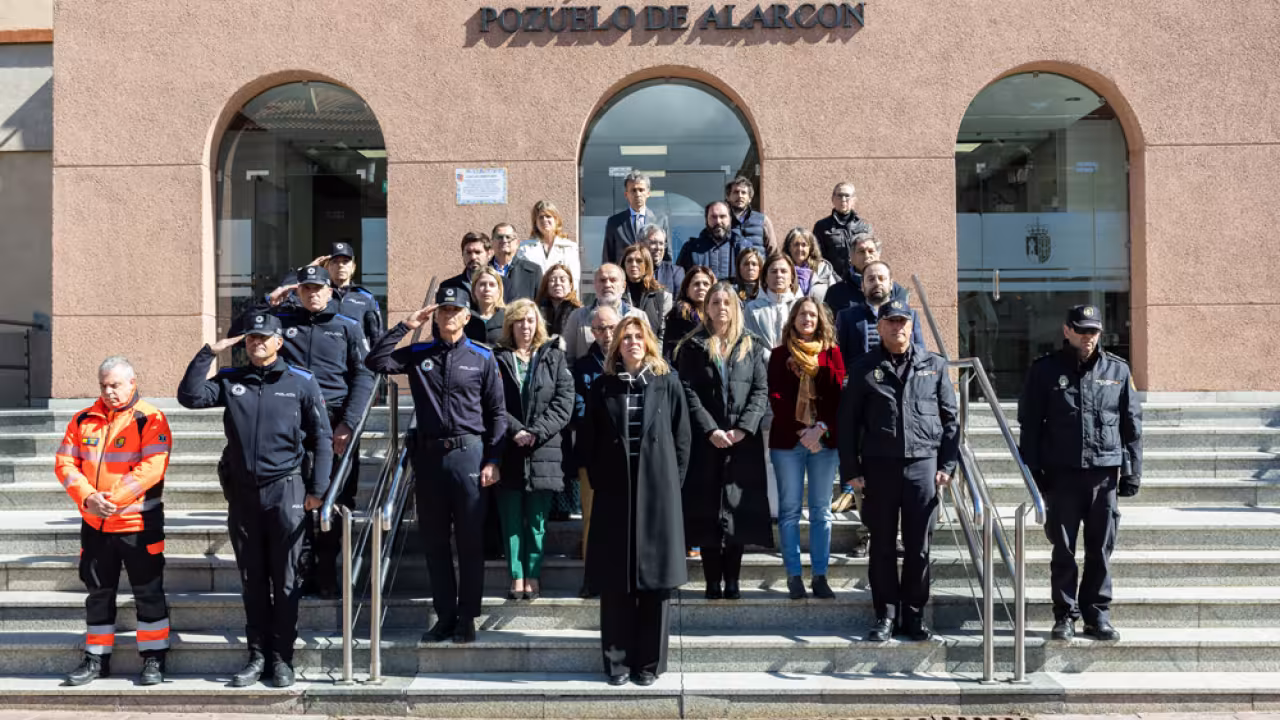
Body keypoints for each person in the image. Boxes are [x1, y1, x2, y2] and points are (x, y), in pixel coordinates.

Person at [178, 314, 332, 687]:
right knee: (252, 579)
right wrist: (208, 352)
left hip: (286, 490)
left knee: (285, 579)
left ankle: (282, 659)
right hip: (244, 494)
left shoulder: (301, 381)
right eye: (250, 338)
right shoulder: (232, 379)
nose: (256, 343)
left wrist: (318, 489)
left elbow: (321, 437)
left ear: (279, 341)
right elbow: (190, 397)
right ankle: (257, 655)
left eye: (263, 337)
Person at [365, 284, 507, 645]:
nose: (449, 315)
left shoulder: (482, 357)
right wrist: (405, 325)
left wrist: (493, 458)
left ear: (466, 316)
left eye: (455, 311)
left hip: (468, 454)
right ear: (436, 316)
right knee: (434, 542)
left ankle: (467, 617)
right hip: (429, 458)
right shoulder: (418, 353)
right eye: (443, 310)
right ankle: (445, 617)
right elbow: (375, 361)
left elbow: (497, 413)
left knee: (470, 541)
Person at [233, 264, 374, 597]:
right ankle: (301, 571)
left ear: (330, 292)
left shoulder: (348, 327)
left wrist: (349, 423)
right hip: (292, 419)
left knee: (335, 499)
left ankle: (327, 572)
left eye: (318, 288)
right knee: (297, 498)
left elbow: (364, 376)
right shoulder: (281, 323)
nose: (312, 294)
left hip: (335, 422)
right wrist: (269, 302)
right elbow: (239, 333)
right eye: (306, 288)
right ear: (298, 292)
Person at [1017, 304, 1142, 643]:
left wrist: (1133, 472)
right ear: (1067, 330)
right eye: (1082, 330)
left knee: (1100, 549)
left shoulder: (1117, 370)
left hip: (1104, 475)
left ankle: (1097, 615)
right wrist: (1034, 474)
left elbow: (1132, 425)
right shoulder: (1045, 370)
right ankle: (1065, 616)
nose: (1088, 337)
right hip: (1062, 475)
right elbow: (1030, 425)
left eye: (1093, 331)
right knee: (1064, 550)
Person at [839, 300, 959, 643]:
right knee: (882, 546)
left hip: (923, 466)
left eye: (903, 321)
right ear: (879, 327)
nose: (898, 327)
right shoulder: (863, 368)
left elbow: (951, 420)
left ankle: (915, 616)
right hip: (879, 467)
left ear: (911, 325)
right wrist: (851, 469)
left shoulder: (934, 365)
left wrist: (947, 465)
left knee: (919, 547)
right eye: (891, 322)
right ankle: (886, 616)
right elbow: (848, 424)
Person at [581, 315, 691, 686]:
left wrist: (671, 486)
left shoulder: (667, 382)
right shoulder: (603, 387)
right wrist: (601, 480)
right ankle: (617, 663)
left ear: (648, 342)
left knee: (655, 583)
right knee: (616, 582)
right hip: (615, 494)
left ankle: (648, 664)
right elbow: (590, 439)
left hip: (658, 495)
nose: (632, 342)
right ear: (616, 345)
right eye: (625, 337)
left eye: (638, 336)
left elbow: (682, 439)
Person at [56, 356, 173, 687]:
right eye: (103, 385)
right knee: (98, 593)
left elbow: (153, 467)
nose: (108, 392)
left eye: (115, 385)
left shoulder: (149, 418)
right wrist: (89, 498)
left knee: (148, 592)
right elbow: (65, 464)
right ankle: (96, 658)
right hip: (95, 525)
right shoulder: (83, 420)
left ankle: (154, 658)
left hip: (139, 525)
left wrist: (112, 499)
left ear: (132, 383)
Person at [677, 281, 773, 600]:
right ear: (707, 308)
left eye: (726, 302)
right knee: (707, 509)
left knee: (737, 509)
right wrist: (710, 430)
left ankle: (732, 580)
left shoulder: (751, 344)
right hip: (707, 442)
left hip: (742, 443)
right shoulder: (692, 346)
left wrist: (743, 429)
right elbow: (688, 391)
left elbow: (760, 390)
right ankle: (712, 581)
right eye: (715, 302)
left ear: (735, 308)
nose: (721, 307)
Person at [833, 260, 924, 557]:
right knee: (866, 477)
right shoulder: (848, 317)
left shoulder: (909, 315)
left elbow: (920, 354)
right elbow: (839, 358)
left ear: (890, 282)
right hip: (864, 406)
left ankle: (894, 535)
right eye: (870, 278)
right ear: (862, 285)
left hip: (899, 406)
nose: (876, 283)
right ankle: (866, 533)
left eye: (881, 278)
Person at [494, 299, 575, 601]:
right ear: (510, 325)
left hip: (544, 449)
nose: (525, 326)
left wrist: (536, 431)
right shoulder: (497, 358)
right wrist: (516, 430)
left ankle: (533, 573)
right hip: (509, 448)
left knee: (538, 520)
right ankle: (516, 575)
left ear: (538, 323)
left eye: (530, 320)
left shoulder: (554, 356)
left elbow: (564, 402)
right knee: (512, 518)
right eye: (519, 320)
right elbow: (491, 401)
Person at [768, 300, 845, 600]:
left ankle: (820, 576)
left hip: (824, 441)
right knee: (789, 511)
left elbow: (838, 396)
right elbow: (775, 396)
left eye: (813, 314)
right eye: (802, 314)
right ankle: (794, 576)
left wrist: (820, 428)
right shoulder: (779, 355)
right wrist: (802, 431)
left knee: (821, 511)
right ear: (794, 318)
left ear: (820, 320)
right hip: (789, 441)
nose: (807, 319)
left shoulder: (832, 353)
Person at [571, 304, 620, 598]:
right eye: (600, 328)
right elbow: (578, 409)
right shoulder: (582, 367)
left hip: (624, 454)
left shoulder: (632, 363)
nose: (607, 334)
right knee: (591, 518)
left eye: (611, 327)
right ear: (592, 332)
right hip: (592, 453)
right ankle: (591, 578)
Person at [263, 241, 383, 342]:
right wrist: (307, 269)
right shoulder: (315, 293)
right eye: (335, 262)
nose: (340, 266)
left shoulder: (365, 297)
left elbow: (376, 336)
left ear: (353, 267)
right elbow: (284, 290)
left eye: (345, 261)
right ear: (327, 267)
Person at [562, 263, 643, 361]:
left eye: (613, 280)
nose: (607, 285)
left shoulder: (639, 316)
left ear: (623, 286)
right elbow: (567, 358)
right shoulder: (578, 317)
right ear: (595, 285)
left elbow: (648, 355)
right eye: (602, 280)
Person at [823, 232, 907, 317]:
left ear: (878, 255)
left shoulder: (896, 291)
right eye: (861, 251)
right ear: (851, 257)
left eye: (871, 251)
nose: (867, 256)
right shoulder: (836, 293)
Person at [602, 171, 669, 264]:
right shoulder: (614, 222)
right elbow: (608, 258)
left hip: (652, 272)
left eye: (641, 190)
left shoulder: (661, 220)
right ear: (626, 194)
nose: (638, 194)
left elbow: (666, 256)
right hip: (624, 272)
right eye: (633, 190)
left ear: (648, 193)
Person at [812, 181, 874, 280]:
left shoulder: (865, 226)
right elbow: (818, 257)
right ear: (833, 199)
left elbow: (871, 255)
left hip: (860, 280)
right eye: (840, 195)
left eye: (847, 196)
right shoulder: (822, 226)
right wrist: (834, 278)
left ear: (854, 200)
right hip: (832, 280)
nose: (843, 199)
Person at [517, 200, 582, 287]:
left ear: (556, 220)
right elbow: (520, 279)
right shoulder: (524, 248)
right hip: (534, 294)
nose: (544, 220)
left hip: (560, 294)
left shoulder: (569, 247)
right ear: (535, 222)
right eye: (541, 217)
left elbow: (574, 279)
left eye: (548, 216)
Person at [676, 201, 744, 282]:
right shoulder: (691, 249)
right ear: (706, 220)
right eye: (713, 217)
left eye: (722, 216)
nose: (718, 221)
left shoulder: (742, 247)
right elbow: (680, 281)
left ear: (730, 219)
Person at [744, 254, 799, 352]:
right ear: (765, 278)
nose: (779, 275)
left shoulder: (800, 307)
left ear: (792, 277)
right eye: (774, 271)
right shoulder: (751, 308)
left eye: (784, 271)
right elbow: (747, 343)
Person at [621, 243, 671, 345]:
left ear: (647, 265)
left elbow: (664, 334)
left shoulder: (662, 296)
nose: (633, 264)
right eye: (629, 260)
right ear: (624, 265)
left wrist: (654, 354)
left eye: (639, 261)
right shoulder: (618, 295)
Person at [663, 266, 715, 362]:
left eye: (706, 284)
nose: (701, 287)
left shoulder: (719, 317)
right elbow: (669, 356)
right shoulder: (678, 318)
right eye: (696, 284)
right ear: (687, 291)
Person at [490, 222, 544, 302]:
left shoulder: (533, 271)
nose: (504, 240)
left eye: (508, 237)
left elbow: (541, 303)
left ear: (517, 243)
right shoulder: (482, 271)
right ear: (492, 242)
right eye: (499, 237)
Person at [724, 175, 777, 255]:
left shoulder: (762, 220)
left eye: (743, 192)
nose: (740, 196)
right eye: (736, 192)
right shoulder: (722, 221)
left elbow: (773, 252)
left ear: (750, 199)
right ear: (728, 197)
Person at [784, 228, 837, 304]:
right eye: (796, 244)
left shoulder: (823, 269)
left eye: (804, 245)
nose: (800, 249)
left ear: (811, 248)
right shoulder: (782, 270)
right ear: (789, 247)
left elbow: (834, 296)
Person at [535, 262, 582, 338]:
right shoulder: (536, 310)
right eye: (552, 280)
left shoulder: (578, 312)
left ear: (570, 285)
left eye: (562, 280)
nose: (557, 283)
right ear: (546, 285)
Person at [442, 231, 494, 296]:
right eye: (468, 252)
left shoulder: (503, 284)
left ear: (489, 254)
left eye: (477, 252)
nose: (473, 257)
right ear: (462, 254)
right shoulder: (448, 287)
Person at [466, 266, 507, 346]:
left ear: (499, 290)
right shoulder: (465, 316)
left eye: (492, 285)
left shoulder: (507, 318)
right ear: (474, 290)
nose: (487, 289)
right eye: (482, 284)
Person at [642, 224, 684, 295]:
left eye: (661, 243)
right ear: (641, 244)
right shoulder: (635, 270)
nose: (658, 248)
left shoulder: (675, 272)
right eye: (653, 243)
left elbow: (679, 299)